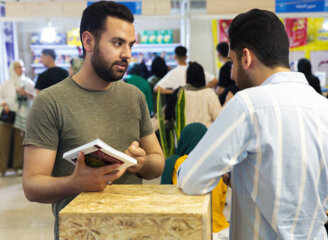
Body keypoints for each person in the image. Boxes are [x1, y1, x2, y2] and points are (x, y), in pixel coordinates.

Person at [177, 9, 328, 240]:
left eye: (232, 61)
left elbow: (191, 180)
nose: (231, 73)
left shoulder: (247, 105)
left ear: (246, 58)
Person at [22, 2, 164, 240]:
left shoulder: (134, 97)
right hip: (79, 233)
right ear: (88, 41)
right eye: (117, 43)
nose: (127, 54)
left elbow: (158, 162)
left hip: (136, 230)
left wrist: (140, 164)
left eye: (130, 45)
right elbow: (32, 186)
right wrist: (76, 183)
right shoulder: (50, 102)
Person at [160, 123, 229, 239]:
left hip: (190, 230)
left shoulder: (178, 163)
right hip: (220, 229)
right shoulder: (220, 165)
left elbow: (165, 197)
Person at [0, 60, 35, 177]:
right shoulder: (7, 83)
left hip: (23, 116)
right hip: (8, 117)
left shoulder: (28, 83)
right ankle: (2, 168)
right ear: (13, 70)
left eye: (22, 67)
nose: (21, 70)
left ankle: (18, 167)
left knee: (20, 143)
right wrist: (4, 104)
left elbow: (36, 97)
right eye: (18, 68)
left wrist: (27, 93)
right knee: (3, 143)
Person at [165, 62, 222, 128]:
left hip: (183, 135)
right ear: (203, 76)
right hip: (206, 135)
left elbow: (168, 116)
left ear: (187, 76)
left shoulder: (179, 93)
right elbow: (218, 117)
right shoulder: (209, 93)